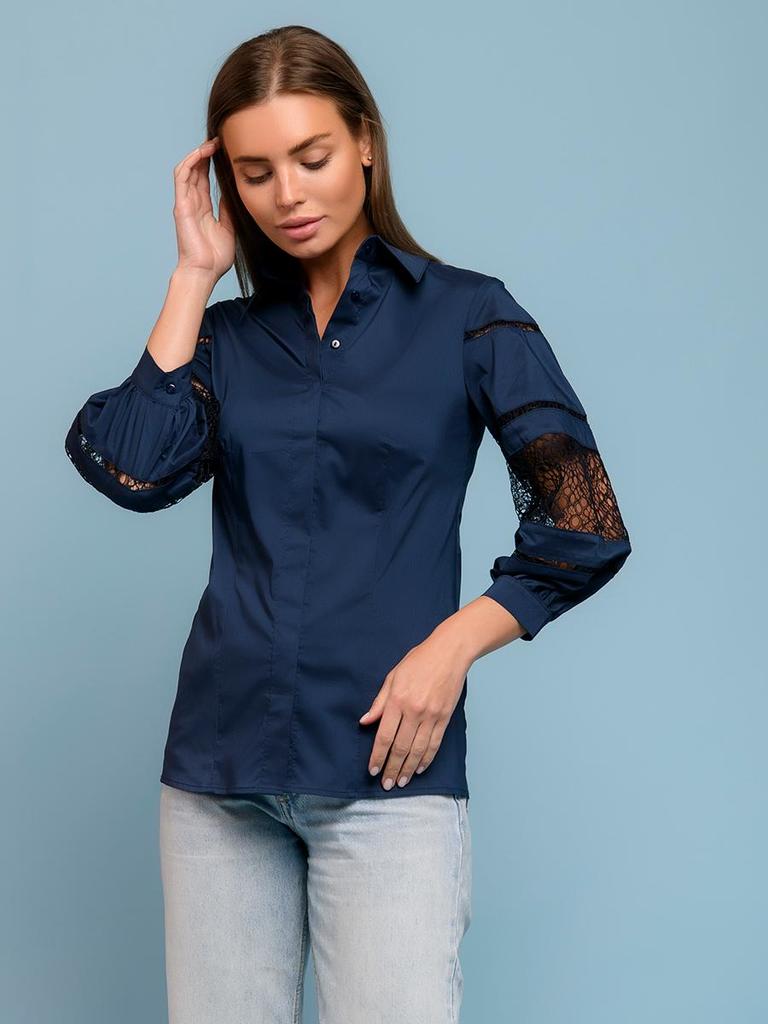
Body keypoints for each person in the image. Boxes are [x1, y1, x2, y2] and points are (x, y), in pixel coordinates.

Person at [64, 24, 631, 1024]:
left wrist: (453, 646)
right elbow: (132, 469)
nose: (287, 193)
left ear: (365, 141)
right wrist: (193, 275)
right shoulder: (225, 340)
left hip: (389, 778)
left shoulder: (470, 317)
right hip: (219, 777)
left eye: (312, 157)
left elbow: (584, 521)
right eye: (255, 173)